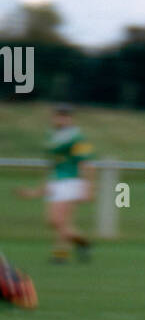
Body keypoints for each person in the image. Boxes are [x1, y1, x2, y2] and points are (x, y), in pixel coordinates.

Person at [17, 104, 95, 261]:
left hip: (72, 180)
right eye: (58, 116)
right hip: (56, 181)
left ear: (71, 119)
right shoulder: (52, 136)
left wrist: (88, 187)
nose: (61, 119)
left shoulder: (77, 138)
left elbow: (86, 163)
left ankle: (60, 255)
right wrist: (40, 188)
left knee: (59, 220)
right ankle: (82, 242)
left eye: (65, 116)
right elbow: (53, 165)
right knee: (55, 222)